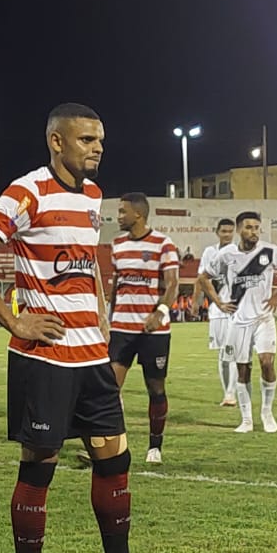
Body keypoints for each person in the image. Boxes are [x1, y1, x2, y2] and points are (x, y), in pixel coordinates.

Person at [0, 102, 180, 553]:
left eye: (100, 140)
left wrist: (100, 311)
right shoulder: (27, 192)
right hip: (45, 358)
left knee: (114, 459)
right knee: (41, 467)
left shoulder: (94, 196)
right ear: (56, 142)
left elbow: (86, 262)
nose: (97, 148)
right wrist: (15, 322)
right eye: (86, 140)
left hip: (92, 353)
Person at [196, 211, 277, 433]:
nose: (254, 232)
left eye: (256, 227)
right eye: (248, 227)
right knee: (243, 369)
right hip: (238, 321)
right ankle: (246, 420)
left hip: (263, 318)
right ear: (239, 230)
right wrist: (218, 302)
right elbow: (203, 278)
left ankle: (267, 412)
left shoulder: (269, 251)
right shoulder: (226, 254)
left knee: (267, 363)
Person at [106, 193, 179, 464]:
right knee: (110, 389)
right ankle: (113, 446)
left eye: (122, 211)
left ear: (138, 214)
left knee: (155, 388)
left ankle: (155, 446)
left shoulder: (163, 244)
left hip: (153, 333)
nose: (118, 216)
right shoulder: (117, 245)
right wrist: (108, 320)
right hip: (121, 328)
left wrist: (160, 313)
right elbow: (116, 286)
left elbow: (172, 284)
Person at [195, 219, 237, 406]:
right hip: (217, 310)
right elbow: (202, 278)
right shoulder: (209, 252)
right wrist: (196, 301)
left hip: (235, 309)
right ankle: (227, 392)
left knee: (232, 351)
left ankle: (231, 393)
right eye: (224, 231)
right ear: (217, 232)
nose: (227, 235)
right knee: (222, 353)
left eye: (230, 231)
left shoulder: (239, 252)